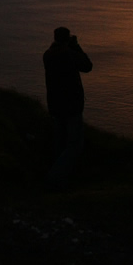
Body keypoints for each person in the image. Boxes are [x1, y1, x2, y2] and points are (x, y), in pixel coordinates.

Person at [43, 26, 93, 189]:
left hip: (55, 105)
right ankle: (54, 178)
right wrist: (76, 46)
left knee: (60, 143)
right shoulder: (69, 55)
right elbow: (87, 65)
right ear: (67, 39)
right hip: (71, 105)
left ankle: (59, 179)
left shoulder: (47, 55)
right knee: (74, 145)